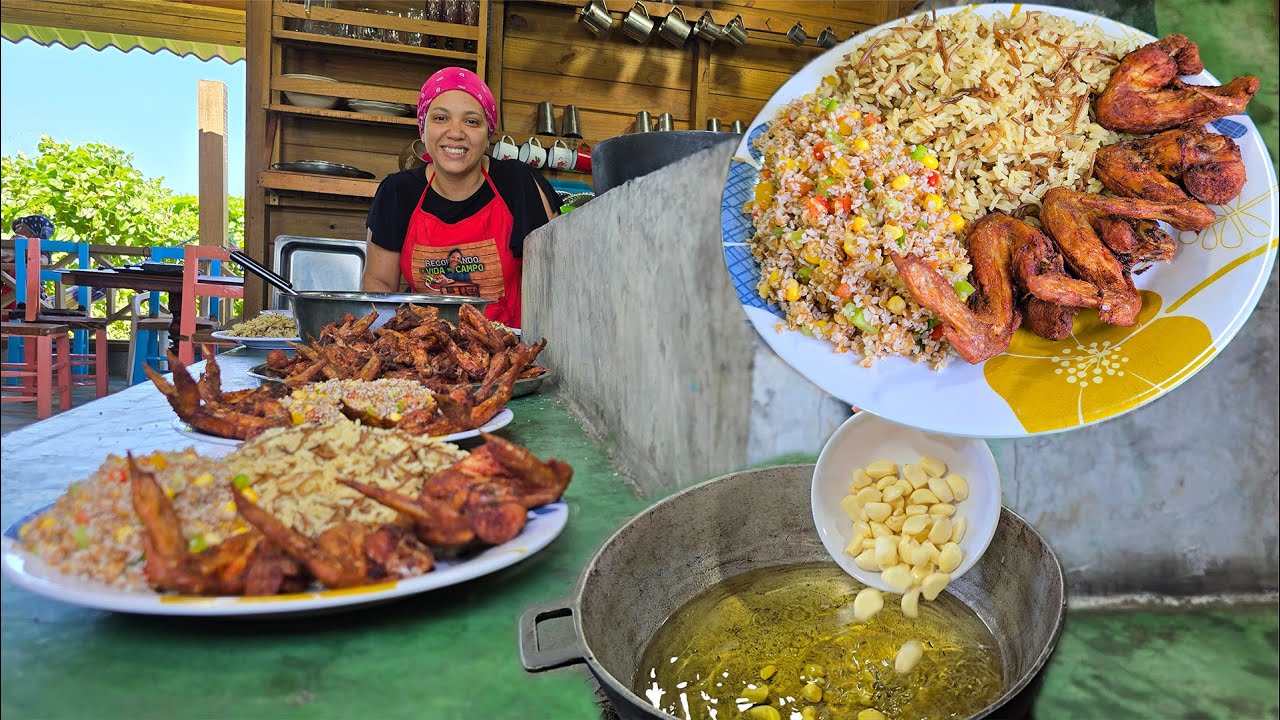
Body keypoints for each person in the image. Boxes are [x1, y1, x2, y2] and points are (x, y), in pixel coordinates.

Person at [362, 67, 558, 328]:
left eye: (471, 121)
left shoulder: (520, 183)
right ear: (423, 130)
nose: (455, 132)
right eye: (441, 118)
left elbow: (557, 279)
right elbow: (379, 284)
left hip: (510, 351)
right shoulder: (397, 192)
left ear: (487, 136)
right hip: (425, 351)